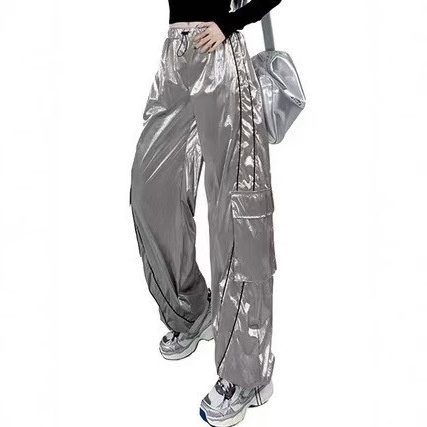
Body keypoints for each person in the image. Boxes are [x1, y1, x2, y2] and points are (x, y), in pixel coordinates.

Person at [129, 1, 282, 425]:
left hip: (220, 55)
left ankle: (246, 373)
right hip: (174, 57)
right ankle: (193, 309)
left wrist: (229, 24)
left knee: (236, 211)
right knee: (149, 189)